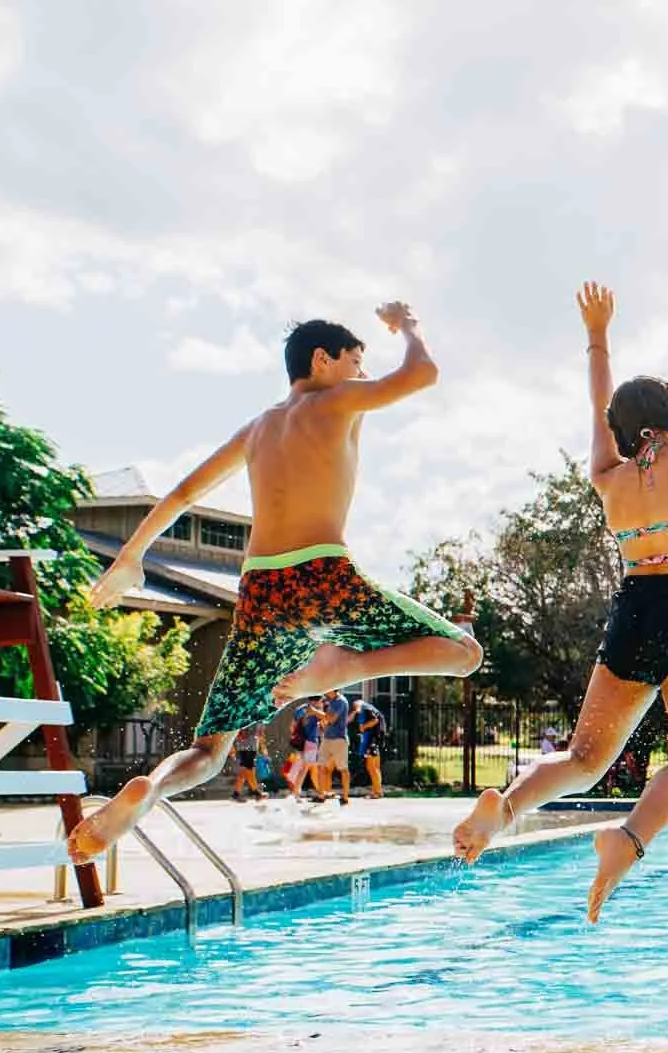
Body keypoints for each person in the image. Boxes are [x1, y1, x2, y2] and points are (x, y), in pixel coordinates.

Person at [74, 302, 481, 858]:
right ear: (323, 359)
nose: (363, 374)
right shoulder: (336, 401)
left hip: (262, 590)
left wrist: (131, 556)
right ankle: (346, 667)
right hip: (325, 575)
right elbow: (422, 374)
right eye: (356, 361)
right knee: (463, 652)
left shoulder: (257, 428)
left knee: (210, 748)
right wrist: (407, 325)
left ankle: (149, 792)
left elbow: (184, 494)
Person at [451, 259, 668, 918]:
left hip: (633, 608)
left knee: (583, 756)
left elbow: (598, 414)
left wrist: (598, 337)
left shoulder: (611, 478)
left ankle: (507, 805)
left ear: (624, 431)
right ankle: (628, 838)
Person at [313, 689, 353, 804]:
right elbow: (328, 720)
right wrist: (322, 726)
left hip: (339, 739)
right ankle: (321, 795)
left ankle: (345, 797)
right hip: (327, 738)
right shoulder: (331, 701)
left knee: (343, 769)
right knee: (320, 765)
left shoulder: (341, 701)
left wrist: (315, 712)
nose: (324, 690)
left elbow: (331, 719)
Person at [351, 697, 387, 799]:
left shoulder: (365, 708)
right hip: (376, 740)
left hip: (372, 741)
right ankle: (378, 791)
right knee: (375, 767)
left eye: (355, 706)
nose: (355, 709)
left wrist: (364, 727)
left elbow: (374, 720)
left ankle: (377, 792)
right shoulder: (370, 708)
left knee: (371, 767)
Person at [231, 724, 265, 801]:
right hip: (247, 746)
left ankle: (236, 794)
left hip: (249, 745)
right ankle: (256, 793)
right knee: (248, 770)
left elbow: (259, 731)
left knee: (244, 771)